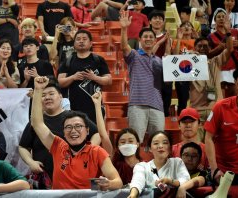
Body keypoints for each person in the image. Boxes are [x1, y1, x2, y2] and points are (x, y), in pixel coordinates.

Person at [30, 76, 122, 189]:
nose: (73, 130)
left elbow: (118, 181)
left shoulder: (97, 152)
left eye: (78, 126)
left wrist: (109, 184)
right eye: (68, 127)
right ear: (63, 132)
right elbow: (37, 123)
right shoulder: (58, 146)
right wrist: (38, 90)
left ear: (87, 130)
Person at [19, 81, 102, 184]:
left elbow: (97, 134)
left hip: (74, 175)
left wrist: (86, 154)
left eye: (51, 94)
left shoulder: (74, 117)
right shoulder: (39, 127)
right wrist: (31, 163)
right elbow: (23, 146)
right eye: (43, 95)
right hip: (44, 177)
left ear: (61, 97)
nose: (47, 97)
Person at [204, 62, 238, 196]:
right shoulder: (221, 107)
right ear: (237, 83)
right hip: (222, 170)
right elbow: (208, 138)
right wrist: (214, 170)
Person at [120, 10, 165, 142]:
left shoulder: (159, 61)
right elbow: (123, 46)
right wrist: (124, 29)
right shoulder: (134, 55)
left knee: (159, 143)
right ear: (140, 40)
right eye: (145, 37)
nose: (148, 39)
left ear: (155, 39)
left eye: (151, 37)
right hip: (137, 105)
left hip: (157, 105)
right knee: (136, 142)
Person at [57, 29, 112, 123]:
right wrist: (73, 77)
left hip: (95, 108)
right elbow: (60, 82)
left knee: (96, 135)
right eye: (78, 39)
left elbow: (109, 80)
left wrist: (94, 77)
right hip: (73, 108)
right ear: (74, 43)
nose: (81, 41)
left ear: (91, 43)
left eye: (84, 39)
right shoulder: (68, 61)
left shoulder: (98, 60)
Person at [189, 34, 233, 141]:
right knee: (197, 145)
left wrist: (228, 33)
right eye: (200, 46)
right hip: (197, 110)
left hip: (216, 109)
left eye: (206, 46)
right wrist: (190, 55)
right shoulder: (189, 64)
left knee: (215, 144)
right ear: (195, 48)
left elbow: (230, 49)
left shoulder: (216, 62)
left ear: (210, 49)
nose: (203, 48)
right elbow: (175, 59)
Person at [128, 131, 191, 198]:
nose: (160, 146)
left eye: (165, 143)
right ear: (150, 148)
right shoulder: (141, 166)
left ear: (170, 148)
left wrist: (169, 181)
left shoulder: (177, 162)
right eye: (156, 143)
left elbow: (186, 179)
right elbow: (137, 181)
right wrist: (133, 195)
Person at [208, 8, 238, 98]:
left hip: (233, 69)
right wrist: (220, 47)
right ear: (215, 20)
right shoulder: (211, 36)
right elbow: (209, 55)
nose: (221, 18)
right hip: (219, 70)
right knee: (220, 99)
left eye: (223, 17)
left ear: (228, 19)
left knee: (235, 97)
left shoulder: (236, 32)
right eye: (219, 17)